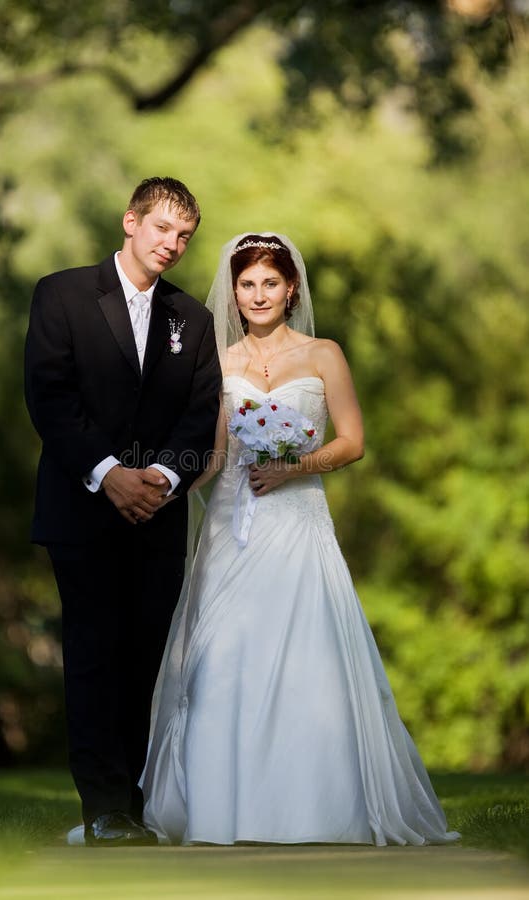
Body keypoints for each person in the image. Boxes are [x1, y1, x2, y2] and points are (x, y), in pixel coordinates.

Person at [140, 233, 460, 846]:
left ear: (291, 290)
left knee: (304, 659)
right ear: (233, 292)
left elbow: (352, 441)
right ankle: (222, 810)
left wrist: (295, 466)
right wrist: (163, 487)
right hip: (234, 525)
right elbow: (211, 456)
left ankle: (310, 809)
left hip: (298, 522)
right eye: (246, 284)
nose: (257, 295)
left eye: (269, 283)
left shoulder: (323, 355)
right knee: (221, 658)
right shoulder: (222, 361)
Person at [24, 177, 221, 846]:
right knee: (92, 656)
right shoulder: (62, 294)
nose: (173, 244)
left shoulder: (191, 319)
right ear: (131, 222)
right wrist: (109, 475)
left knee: (145, 661)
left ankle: (134, 806)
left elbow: (200, 418)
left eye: (185, 235)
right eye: (163, 228)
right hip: (81, 510)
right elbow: (50, 397)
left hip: (156, 518)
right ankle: (103, 809)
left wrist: (160, 479)